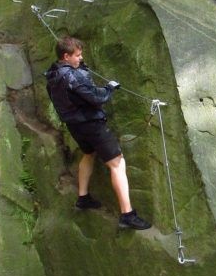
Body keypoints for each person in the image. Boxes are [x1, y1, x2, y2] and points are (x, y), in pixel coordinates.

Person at [45, 35, 152, 230]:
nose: (81, 58)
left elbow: (70, 93)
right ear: (66, 56)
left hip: (74, 126)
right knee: (117, 162)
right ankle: (127, 214)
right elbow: (96, 98)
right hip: (91, 125)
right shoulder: (73, 76)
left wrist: (81, 71)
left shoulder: (52, 74)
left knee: (88, 153)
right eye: (77, 55)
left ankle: (83, 197)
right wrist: (110, 88)